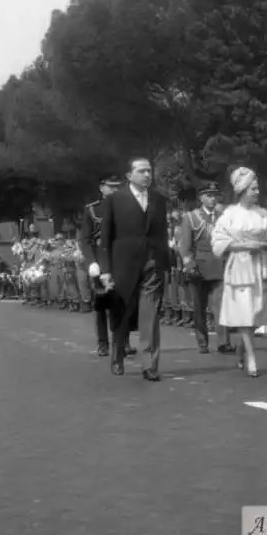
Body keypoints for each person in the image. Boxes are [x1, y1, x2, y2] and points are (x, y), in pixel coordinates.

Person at [99, 158, 170, 380]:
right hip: (124, 266)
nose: (147, 175)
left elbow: (162, 234)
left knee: (149, 317)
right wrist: (106, 270)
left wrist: (164, 262)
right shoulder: (115, 200)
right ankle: (118, 354)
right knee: (123, 314)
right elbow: (106, 237)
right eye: (142, 171)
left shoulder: (158, 199)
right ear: (129, 175)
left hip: (152, 265)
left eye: (149, 171)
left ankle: (149, 364)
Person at [211, 167, 267, 378]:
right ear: (242, 190)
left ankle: (241, 350)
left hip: (258, 266)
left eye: (258, 188)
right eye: (253, 188)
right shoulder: (229, 215)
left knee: (253, 311)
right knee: (244, 312)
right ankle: (251, 356)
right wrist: (244, 245)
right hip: (239, 267)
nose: (257, 192)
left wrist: (265, 245)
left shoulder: (263, 215)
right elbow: (218, 243)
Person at [179, 182, 234, 355]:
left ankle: (223, 341)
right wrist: (189, 264)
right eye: (209, 196)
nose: (212, 199)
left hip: (220, 265)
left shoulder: (223, 216)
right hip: (199, 267)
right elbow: (185, 245)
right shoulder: (191, 217)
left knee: (221, 306)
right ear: (201, 198)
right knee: (199, 307)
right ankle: (202, 342)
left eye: (214, 195)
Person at [79, 175, 124, 357]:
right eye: (110, 186)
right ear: (102, 188)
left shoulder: (128, 207)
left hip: (121, 260)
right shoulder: (93, 210)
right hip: (100, 260)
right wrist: (91, 261)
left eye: (118, 187)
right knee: (102, 304)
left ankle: (123, 342)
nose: (114, 190)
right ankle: (103, 342)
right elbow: (86, 239)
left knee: (123, 303)